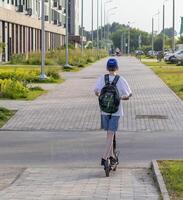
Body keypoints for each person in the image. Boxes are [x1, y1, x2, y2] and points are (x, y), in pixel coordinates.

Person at [94, 58, 132, 168]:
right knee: (111, 134)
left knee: (109, 134)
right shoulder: (120, 79)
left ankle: (111, 155)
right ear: (117, 68)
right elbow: (129, 94)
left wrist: (100, 95)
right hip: (116, 111)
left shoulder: (102, 78)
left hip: (104, 110)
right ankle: (104, 156)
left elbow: (96, 91)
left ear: (107, 68)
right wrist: (122, 97)